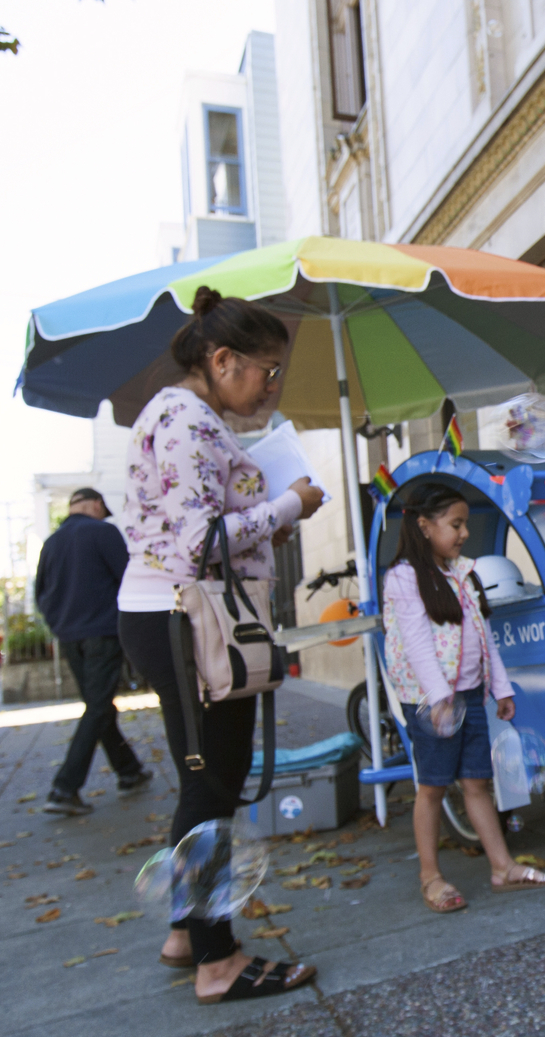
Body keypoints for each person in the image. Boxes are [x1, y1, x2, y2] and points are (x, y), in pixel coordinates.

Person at [117, 286, 324, 1004]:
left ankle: (186, 932)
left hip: (177, 614)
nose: (272, 385)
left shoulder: (191, 416)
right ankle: (218, 960)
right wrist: (289, 503)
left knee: (205, 775)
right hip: (184, 615)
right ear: (222, 357)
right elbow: (197, 544)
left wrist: (270, 515)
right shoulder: (182, 418)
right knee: (213, 781)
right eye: (265, 370)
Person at [381, 483, 545, 913]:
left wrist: (500, 688)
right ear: (424, 526)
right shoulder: (404, 577)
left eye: (465, 524)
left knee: (477, 781)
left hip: (468, 696)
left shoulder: (462, 572)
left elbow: (485, 638)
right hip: (432, 701)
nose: (463, 533)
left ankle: (501, 867)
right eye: (455, 524)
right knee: (432, 787)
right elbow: (418, 643)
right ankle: (430, 876)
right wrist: (440, 698)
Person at [35, 487, 151, 814]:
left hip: (69, 636)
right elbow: (130, 579)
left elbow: (40, 592)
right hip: (102, 631)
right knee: (98, 708)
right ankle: (64, 789)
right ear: (97, 505)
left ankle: (129, 772)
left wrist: (59, 623)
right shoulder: (103, 531)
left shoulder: (51, 543)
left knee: (97, 706)